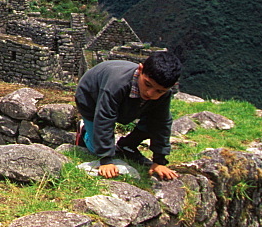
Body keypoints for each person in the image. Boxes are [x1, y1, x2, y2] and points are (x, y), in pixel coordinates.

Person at [75, 51, 182, 181]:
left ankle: (127, 145)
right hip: (91, 97)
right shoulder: (116, 84)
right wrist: (106, 159)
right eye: (147, 84)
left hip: (128, 102)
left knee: (153, 120)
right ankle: (85, 129)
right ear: (140, 69)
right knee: (94, 147)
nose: (150, 93)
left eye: (159, 91)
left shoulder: (162, 95)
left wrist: (159, 161)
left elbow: (161, 122)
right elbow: (104, 118)